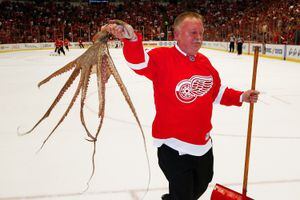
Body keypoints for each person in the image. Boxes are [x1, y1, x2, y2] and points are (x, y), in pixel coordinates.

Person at [102, 12, 259, 200]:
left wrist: (241, 96)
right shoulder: (162, 57)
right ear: (176, 35)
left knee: (201, 183)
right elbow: (139, 63)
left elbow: (215, 92)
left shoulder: (204, 62)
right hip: (173, 146)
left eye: (201, 33)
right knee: (184, 195)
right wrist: (132, 39)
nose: (199, 38)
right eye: (193, 33)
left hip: (203, 144)